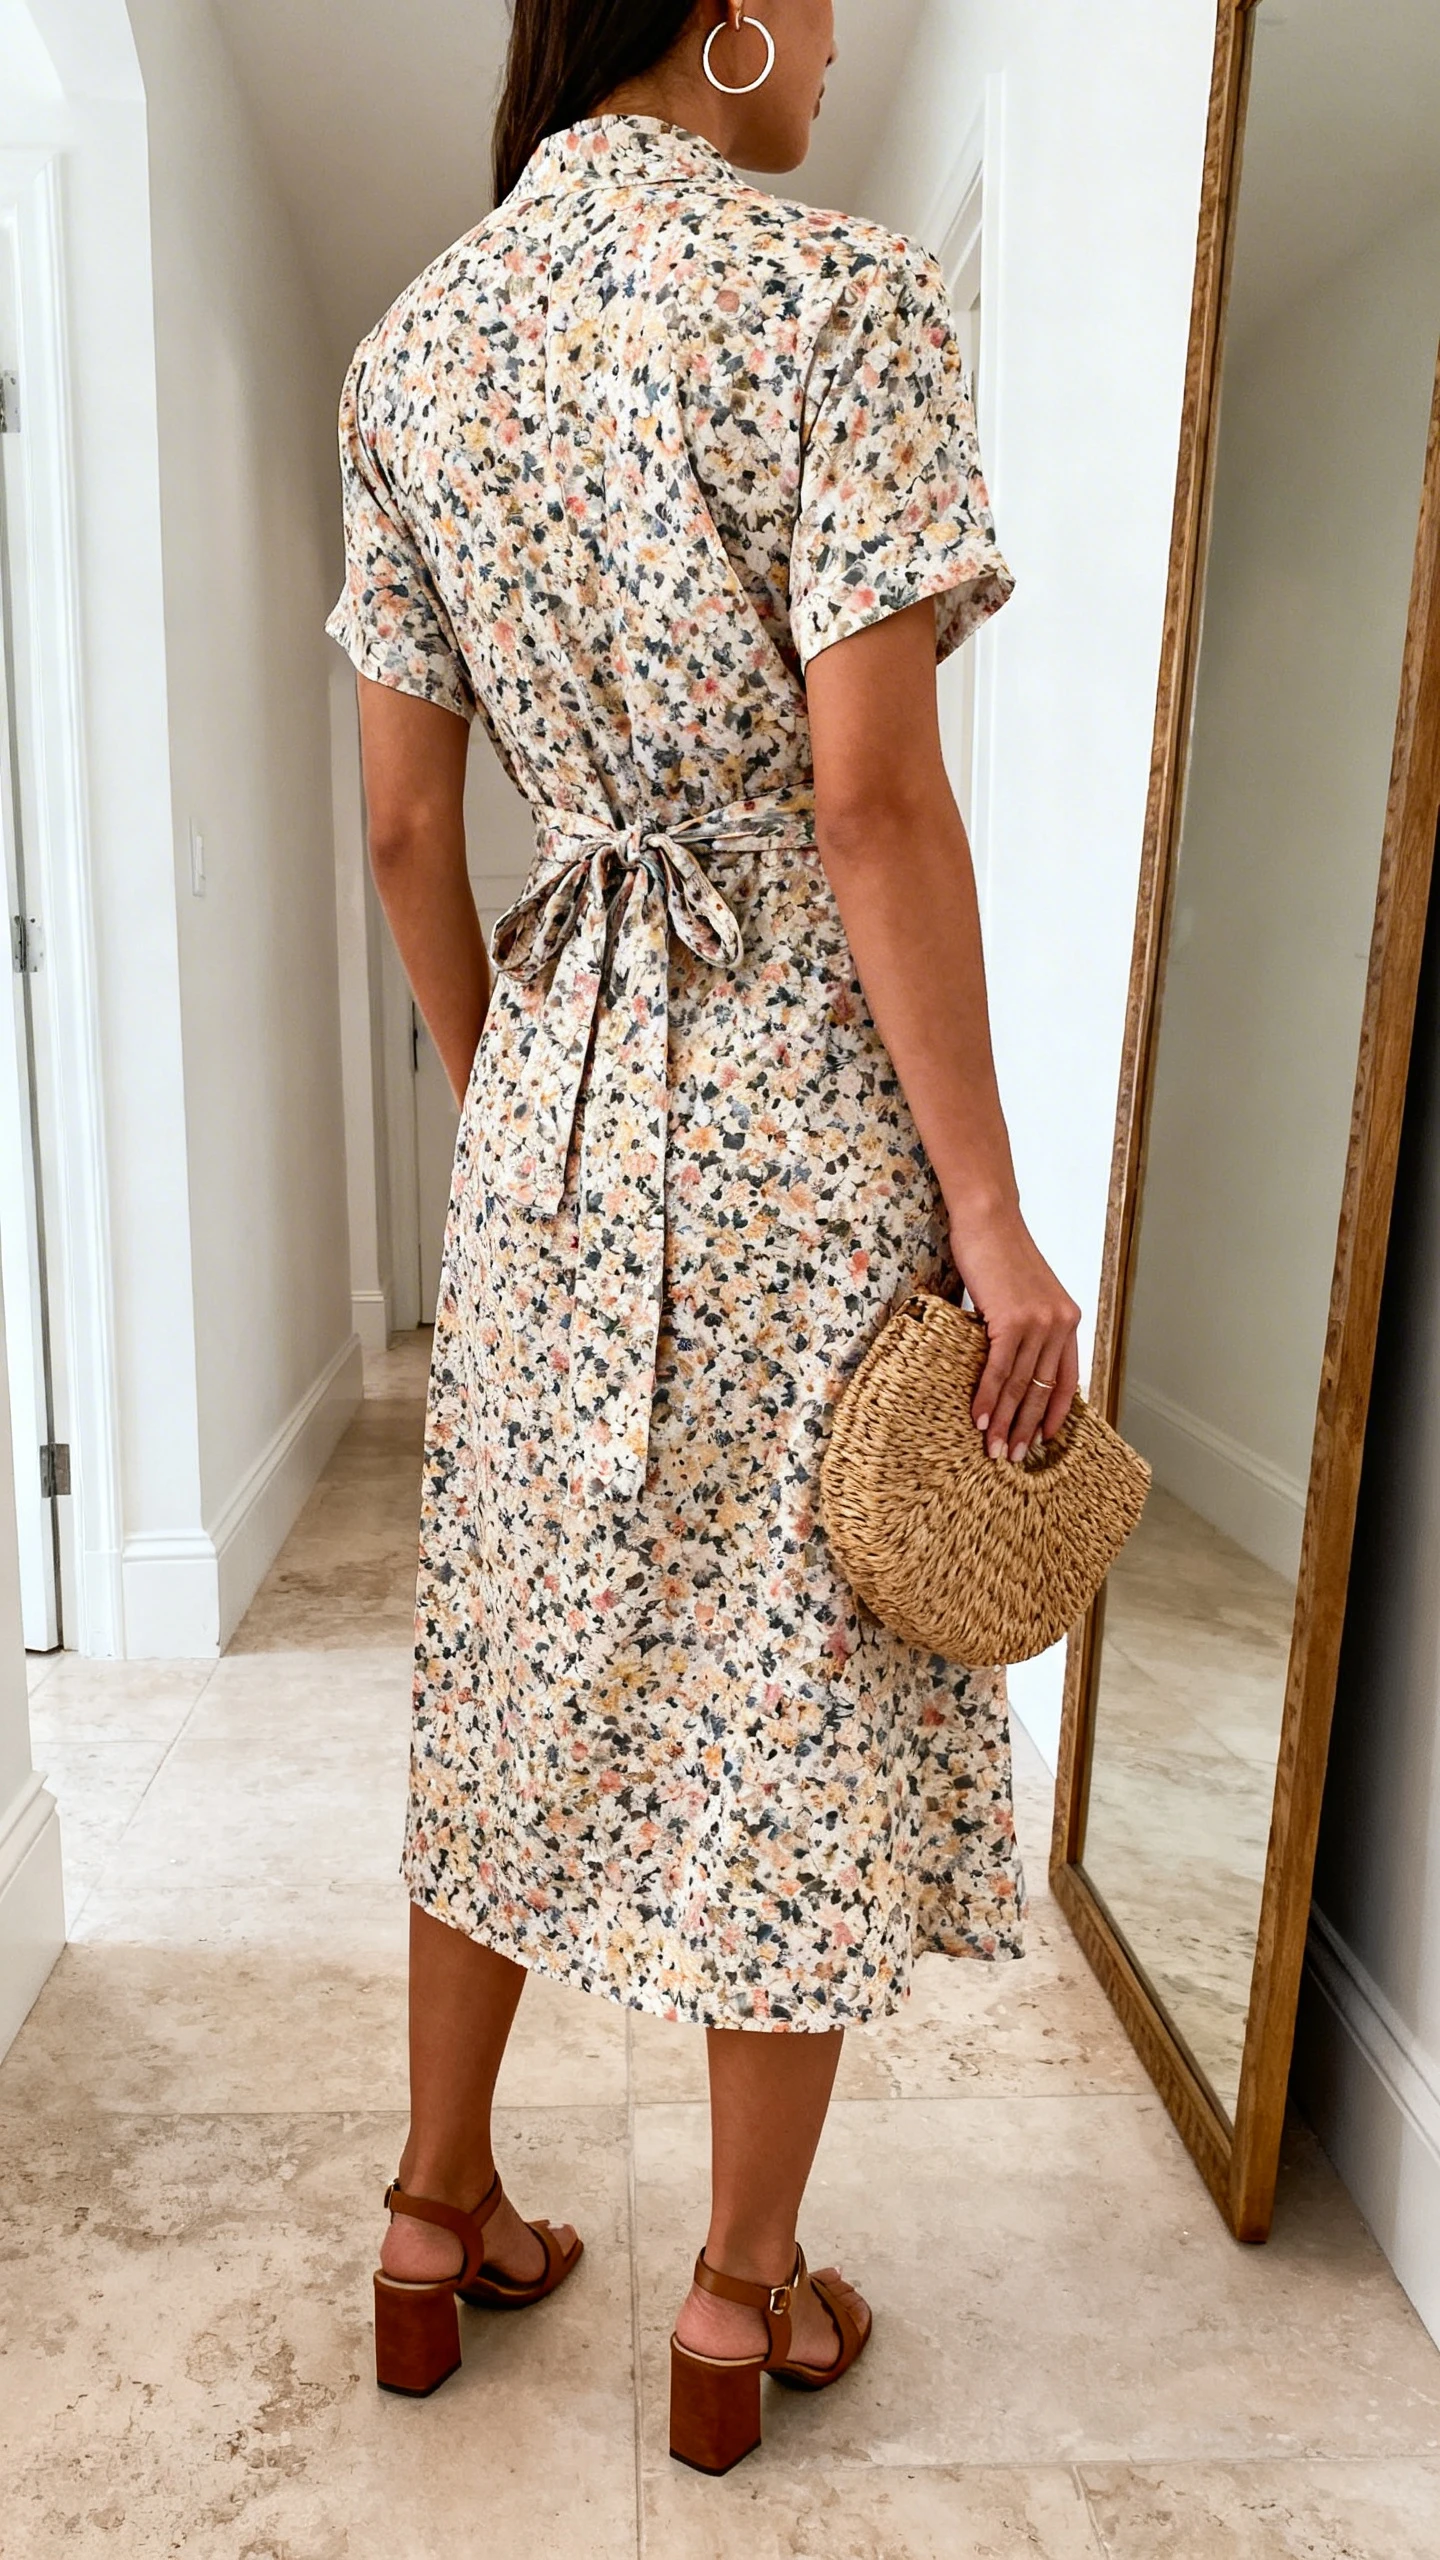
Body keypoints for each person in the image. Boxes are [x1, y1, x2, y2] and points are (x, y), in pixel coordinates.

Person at [327, 0, 1081, 2475]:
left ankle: (439, 2209)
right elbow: (871, 805)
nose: (843, 46)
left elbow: (411, 843)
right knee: (792, 1671)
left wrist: (512, 1115)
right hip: (795, 1093)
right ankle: (739, 2303)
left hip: (553, 1075)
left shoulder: (411, 355)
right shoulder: (836, 299)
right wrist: (990, 1220)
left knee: (517, 1640)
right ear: (729, 6)